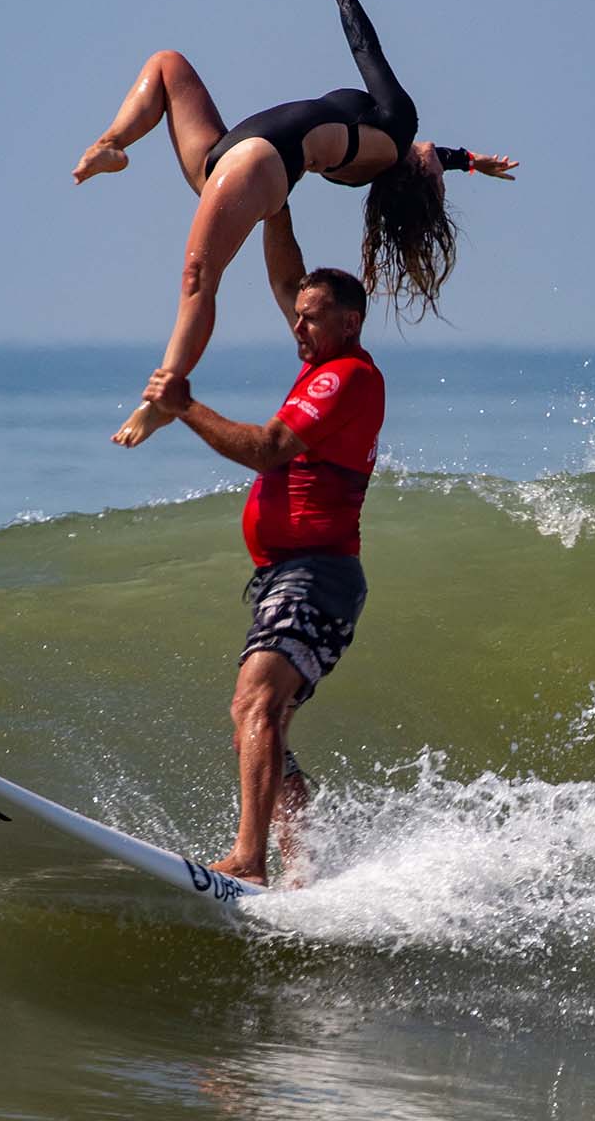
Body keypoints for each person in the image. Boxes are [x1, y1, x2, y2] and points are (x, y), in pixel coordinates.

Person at [78, 0, 515, 448]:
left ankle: (162, 398)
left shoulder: (398, 126)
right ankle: (110, 144)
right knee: (167, 63)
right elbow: (431, 157)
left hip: (259, 163)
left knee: (199, 277)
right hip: (231, 158)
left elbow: (367, 51)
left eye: (437, 174)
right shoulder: (385, 158)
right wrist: (467, 161)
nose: (435, 155)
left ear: (416, 177)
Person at [140, 254, 383, 887]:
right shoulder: (322, 364)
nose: (297, 329)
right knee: (255, 722)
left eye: (311, 319)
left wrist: (183, 405)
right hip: (289, 575)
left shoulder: (346, 376)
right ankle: (305, 872)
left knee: (257, 704)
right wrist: (273, 205)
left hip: (316, 572)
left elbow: (268, 450)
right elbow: (286, 278)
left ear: (350, 322)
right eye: (295, 319)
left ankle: (249, 860)